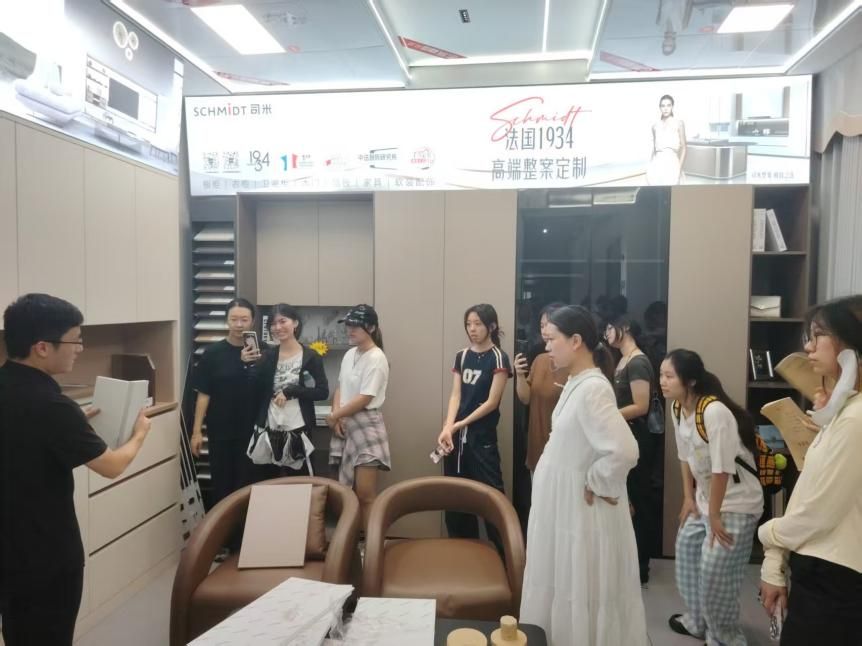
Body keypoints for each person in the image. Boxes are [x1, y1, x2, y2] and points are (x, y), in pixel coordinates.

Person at [0, 293, 152, 645]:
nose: (80, 348)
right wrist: (140, 433)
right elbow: (112, 466)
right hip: (47, 556)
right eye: (75, 340)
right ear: (42, 347)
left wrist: (74, 425)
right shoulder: (54, 406)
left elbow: (25, 437)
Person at [520, 305, 646, 646]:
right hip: (561, 506)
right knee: (560, 580)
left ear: (575, 341)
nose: (547, 347)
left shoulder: (593, 388)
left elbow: (625, 450)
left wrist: (596, 480)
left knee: (577, 585)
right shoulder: (577, 381)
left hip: (578, 508)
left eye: (552, 340)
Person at [758, 296, 862, 646]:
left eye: (819, 335)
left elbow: (818, 512)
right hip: (819, 569)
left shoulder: (855, 419)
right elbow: (808, 491)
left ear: (851, 345)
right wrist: (775, 562)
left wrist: (769, 534)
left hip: (835, 579)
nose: (808, 347)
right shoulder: (844, 413)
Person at [661, 349, 764, 645]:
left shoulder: (714, 411)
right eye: (661, 375)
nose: (662, 382)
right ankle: (698, 620)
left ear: (690, 380)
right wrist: (688, 497)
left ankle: (725, 637)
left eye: (669, 376)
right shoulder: (678, 408)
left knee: (716, 572)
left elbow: (721, 469)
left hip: (737, 504)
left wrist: (715, 515)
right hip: (707, 501)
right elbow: (684, 456)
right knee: (687, 551)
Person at [438, 304, 512, 553]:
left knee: (492, 498)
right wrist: (448, 427)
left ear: (491, 326)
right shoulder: (461, 356)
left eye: (478, 324)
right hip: (455, 439)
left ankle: (505, 557)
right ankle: (463, 554)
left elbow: (492, 402)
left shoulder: (498, 357)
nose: (472, 329)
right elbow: (455, 395)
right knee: (456, 498)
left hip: (482, 439)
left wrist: (459, 424)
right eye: (469, 324)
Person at [325, 304, 390, 530]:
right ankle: (351, 540)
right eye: (348, 325)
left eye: (355, 326)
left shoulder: (377, 357)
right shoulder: (349, 354)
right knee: (345, 494)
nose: (350, 330)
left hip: (367, 425)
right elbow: (340, 387)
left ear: (371, 327)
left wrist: (335, 415)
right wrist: (336, 416)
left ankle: (370, 543)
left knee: (365, 494)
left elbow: (365, 397)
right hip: (345, 423)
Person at [606, 314, 659, 585]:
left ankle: (640, 565)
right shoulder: (623, 360)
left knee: (637, 498)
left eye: (609, 328)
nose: (606, 333)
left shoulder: (637, 362)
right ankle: (628, 561)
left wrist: (607, 416)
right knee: (626, 498)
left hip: (636, 436)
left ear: (624, 328)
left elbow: (641, 405)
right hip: (624, 434)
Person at [190, 298, 259, 507]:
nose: (239, 325)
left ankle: (247, 527)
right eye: (234, 319)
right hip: (220, 431)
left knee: (249, 486)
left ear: (252, 321)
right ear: (226, 321)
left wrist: (249, 364)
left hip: (253, 431)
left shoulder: (262, 352)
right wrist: (196, 432)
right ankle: (223, 527)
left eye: (244, 319)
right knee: (222, 485)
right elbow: (204, 394)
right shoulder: (213, 353)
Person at [247, 304, 328, 477]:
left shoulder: (311, 357)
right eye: (273, 324)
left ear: (295, 323)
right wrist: (248, 364)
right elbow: (252, 387)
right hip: (269, 426)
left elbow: (322, 392)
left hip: (298, 427)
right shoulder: (268, 355)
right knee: (267, 480)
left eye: (282, 321)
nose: (278, 327)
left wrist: (291, 391)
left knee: (300, 480)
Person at [514, 302, 567, 476]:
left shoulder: (572, 363)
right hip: (537, 442)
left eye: (548, 325)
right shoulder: (540, 360)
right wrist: (520, 375)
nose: (544, 330)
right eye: (541, 325)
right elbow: (525, 399)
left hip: (563, 448)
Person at [647, 94, 686, 186]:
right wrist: (650, 166)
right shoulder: (655, 126)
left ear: (672, 107)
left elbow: (684, 148)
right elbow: (654, 148)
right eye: (663, 106)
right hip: (656, 165)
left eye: (668, 105)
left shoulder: (679, 123)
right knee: (656, 191)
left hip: (673, 164)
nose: (665, 108)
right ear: (660, 108)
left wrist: (679, 169)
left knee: (671, 191)